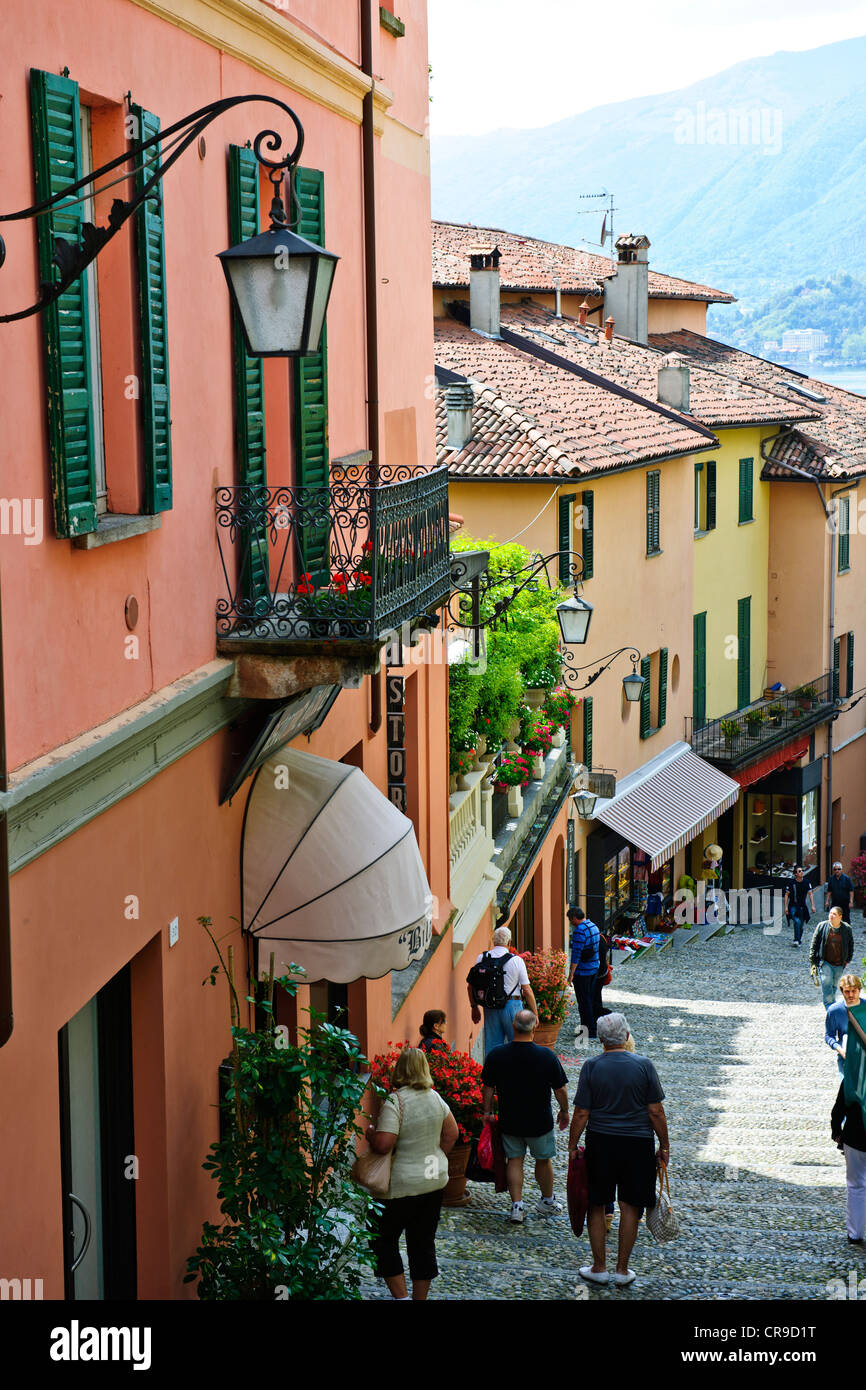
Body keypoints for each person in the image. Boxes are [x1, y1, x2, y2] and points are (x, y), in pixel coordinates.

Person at [568, 1012, 669, 1288]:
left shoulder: (591, 1066)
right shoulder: (644, 1065)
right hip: (637, 1144)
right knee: (629, 1206)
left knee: (597, 1203)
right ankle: (623, 1270)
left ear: (601, 1040)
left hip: (601, 1142)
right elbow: (656, 1111)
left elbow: (581, 1113)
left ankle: (599, 1267)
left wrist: (572, 1145)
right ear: (626, 1036)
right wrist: (664, 1145)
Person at [365, 1047, 458, 1301]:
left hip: (399, 1187)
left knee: (382, 1240)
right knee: (422, 1244)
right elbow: (452, 1133)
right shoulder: (435, 1098)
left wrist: (371, 1135)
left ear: (400, 1070)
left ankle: (402, 1297)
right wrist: (434, 1155)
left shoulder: (396, 1101)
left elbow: (384, 1144)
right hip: (432, 1183)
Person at [481, 1009, 569, 1224]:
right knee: (543, 1160)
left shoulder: (497, 1054)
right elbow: (560, 1089)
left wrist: (487, 1112)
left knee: (514, 1161)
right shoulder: (546, 1056)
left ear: (513, 1026)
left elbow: (488, 1087)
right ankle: (547, 1201)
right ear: (535, 1026)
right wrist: (564, 1110)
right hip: (539, 1120)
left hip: (510, 1119)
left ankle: (517, 1207)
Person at [468, 925, 538, 1058]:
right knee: (519, 1045)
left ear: (493, 941)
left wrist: (474, 1007)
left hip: (490, 1007)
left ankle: (494, 1076)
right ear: (509, 942)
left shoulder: (481, 958)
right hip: (513, 1006)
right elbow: (527, 990)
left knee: (493, 1048)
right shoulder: (516, 960)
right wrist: (535, 1014)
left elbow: (470, 987)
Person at [831, 1078, 866, 1246]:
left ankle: (855, 1233)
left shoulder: (854, 1075)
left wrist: (836, 1130)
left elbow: (839, 1106)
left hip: (855, 1135)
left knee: (856, 1185)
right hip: (855, 1136)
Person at [810, 905, 854, 1008]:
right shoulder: (822, 926)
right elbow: (814, 943)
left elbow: (850, 945)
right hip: (825, 962)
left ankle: (831, 1005)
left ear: (840, 916)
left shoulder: (846, 928)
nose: (831, 916)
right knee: (826, 983)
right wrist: (812, 959)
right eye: (830, 913)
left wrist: (848, 959)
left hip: (839, 963)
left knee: (833, 986)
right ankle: (830, 1008)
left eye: (834, 914)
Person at [567, 906, 600, 1041]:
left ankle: (588, 1031)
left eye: (570, 919)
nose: (570, 922)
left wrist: (571, 975)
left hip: (583, 972)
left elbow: (576, 955)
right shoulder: (593, 926)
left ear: (575, 918)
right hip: (594, 968)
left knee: (583, 1002)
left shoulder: (580, 931)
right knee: (590, 999)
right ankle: (592, 1028)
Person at [825, 976, 864, 1077]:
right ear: (842, 991)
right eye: (847, 991)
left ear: (859, 990)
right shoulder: (834, 1011)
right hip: (846, 1058)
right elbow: (829, 1035)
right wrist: (839, 1049)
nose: (850, 995)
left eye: (853, 991)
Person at [784, 867, 816, 948]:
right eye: (799, 871)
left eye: (802, 870)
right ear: (796, 874)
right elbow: (786, 895)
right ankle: (796, 940)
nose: (802, 872)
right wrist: (785, 907)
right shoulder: (791, 883)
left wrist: (812, 905)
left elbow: (810, 893)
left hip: (802, 906)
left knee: (801, 925)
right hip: (793, 905)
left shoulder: (806, 882)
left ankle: (798, 939)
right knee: (797, 922)